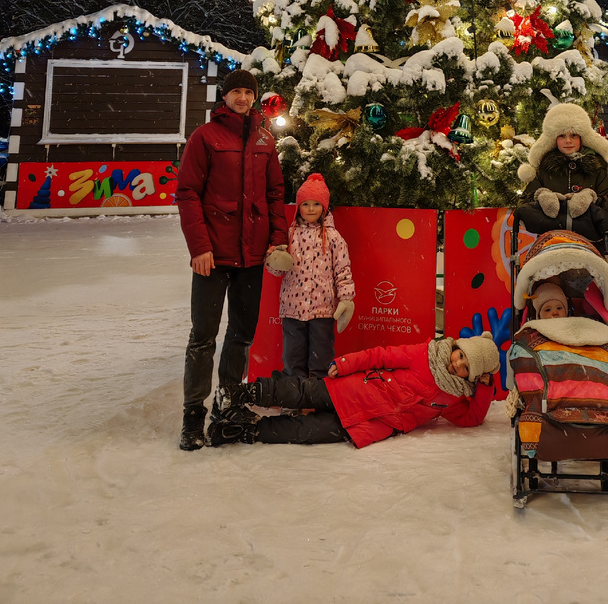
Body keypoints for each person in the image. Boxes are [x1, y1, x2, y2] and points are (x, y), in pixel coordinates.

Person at [175, 68, 288, 451]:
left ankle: (228, 403)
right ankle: (194, 414)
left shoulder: (264, 139)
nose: (242, 98)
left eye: (248, 92)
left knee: (241, 335)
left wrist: (278, 239)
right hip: (213, 256)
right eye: (235, 91)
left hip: (252, 257)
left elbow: (275, 194)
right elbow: (188, 194)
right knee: (203, 337)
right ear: (224, 96)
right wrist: (199, 248)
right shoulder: (204, 137)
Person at [210, 333, 501, 448]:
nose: (457, 363)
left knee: (304, 431)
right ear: (457, 347)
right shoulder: (424, 355)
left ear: (472, 377)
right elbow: (381, 355)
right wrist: (346, 363)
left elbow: (473, 418)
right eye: (460, 355)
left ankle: (245, 432)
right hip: (355, 391)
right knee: (300, 390)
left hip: (369, 424)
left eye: (466, 368)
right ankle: (241, 394)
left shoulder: (453, 399)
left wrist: (487, 389)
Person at [265, 172, 355, 378]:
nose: (311, 209)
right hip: (292, 309)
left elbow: (343, 270)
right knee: (292, 357)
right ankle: (294, 397)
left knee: (321, 357)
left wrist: (346, 298)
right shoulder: (289, 235)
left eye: (316, 204)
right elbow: (277, 269)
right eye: (306, 204)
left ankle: (318, 398)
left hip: (323, 311)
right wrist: (274, 260)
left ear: (324, 207)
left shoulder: (333, 237)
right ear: (298, 207)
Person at [517, 103, 608, 243]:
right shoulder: (544, 171)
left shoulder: (597, 170)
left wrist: (594, 200)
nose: (568, 140)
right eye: (562, 135)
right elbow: (522, 211)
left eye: (573, 135)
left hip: (591, 249)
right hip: (550, 247)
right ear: (554, 140)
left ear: (583, 137)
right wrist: (540, 197)